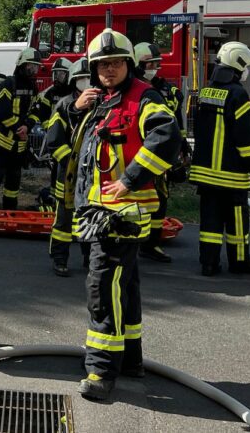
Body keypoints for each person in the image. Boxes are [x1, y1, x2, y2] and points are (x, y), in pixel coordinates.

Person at [71, 29, 181, 401]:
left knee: (102, 288)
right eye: (102, 64)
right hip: (103, 212)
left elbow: (167, 136)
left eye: (115, 62)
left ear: (128, 64)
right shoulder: (104, 100)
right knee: (125, 286)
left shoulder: (143, 98)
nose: (108, 69)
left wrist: (130, 179)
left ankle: (101, 370)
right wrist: (75, 109)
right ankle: (130, 359)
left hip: (122, 214)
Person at [189, 41, 250, 276]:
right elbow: (244, 138)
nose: (248, 72)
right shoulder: (238, 95)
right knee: (236, 220)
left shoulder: (204, 92)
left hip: (205, 173)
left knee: (210, 220)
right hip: (231, 173)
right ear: (238, 64)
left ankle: (208, 263)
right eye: (247, 67)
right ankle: (240, 261)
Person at [133, 42, 186, 264]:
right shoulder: (130, 90)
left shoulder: (167, 91)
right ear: (137, 64)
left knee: (160, 198)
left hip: (159, 156)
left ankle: (151, 244)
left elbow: (175, 122)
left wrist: (182, 146)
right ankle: (129, 242)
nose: (154, 68)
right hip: (134, 155)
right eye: (149, 64)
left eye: (157, 64)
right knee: (133, 199)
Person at [39, 57, 90, 276]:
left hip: (91, 176)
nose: (86, 83)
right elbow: (54, 142)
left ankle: (91, 259)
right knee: (64, 220)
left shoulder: (101, 105)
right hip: (67, 176)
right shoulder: (63, 106)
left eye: (90, 79)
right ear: (73, 81)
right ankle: (60, 259)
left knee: (90, 219)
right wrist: (73, 162)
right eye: (82, 79)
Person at [0, 48, 42, 210]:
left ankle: (10, 211)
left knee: (14, 180)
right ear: (22, 65)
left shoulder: (34, 88)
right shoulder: (9, 84)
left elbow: (36, 111)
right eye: (31, 66)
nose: (34, 70)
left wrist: (27, 126)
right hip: (1, 142)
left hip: (18, 144)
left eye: (36, 67)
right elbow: (2, 113)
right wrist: (19, 128)